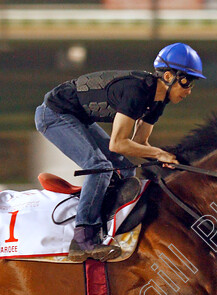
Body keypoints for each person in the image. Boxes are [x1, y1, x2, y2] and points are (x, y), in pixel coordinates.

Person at [35, 42, 205, 262]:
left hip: (77, 118)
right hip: (54, 115)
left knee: (125, 170)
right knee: (100, 166)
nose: (189, 90)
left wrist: (165, 157)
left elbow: (139, 142)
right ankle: (83, 239)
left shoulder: (158, 101)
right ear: (169, 76)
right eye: (187, 82)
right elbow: (118, 144)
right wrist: (158, 154)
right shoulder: (138, 91)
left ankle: (105, 226)